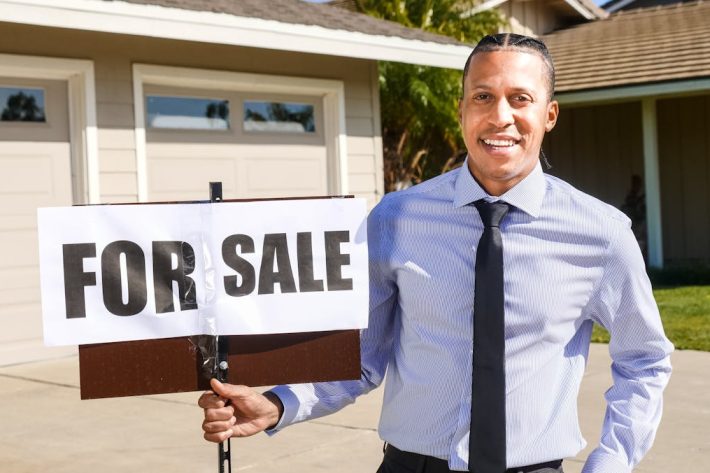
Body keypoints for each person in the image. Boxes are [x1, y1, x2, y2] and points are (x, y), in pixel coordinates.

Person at [199, 34, 673, 473]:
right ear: (462, 110)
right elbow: (362, 359)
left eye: (520, 98)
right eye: (482, 96)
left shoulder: (601, 232)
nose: (500, 116)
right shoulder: (396, 218)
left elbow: (644, 360)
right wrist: (279, 404)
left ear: (549, 114)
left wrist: (610, 463)